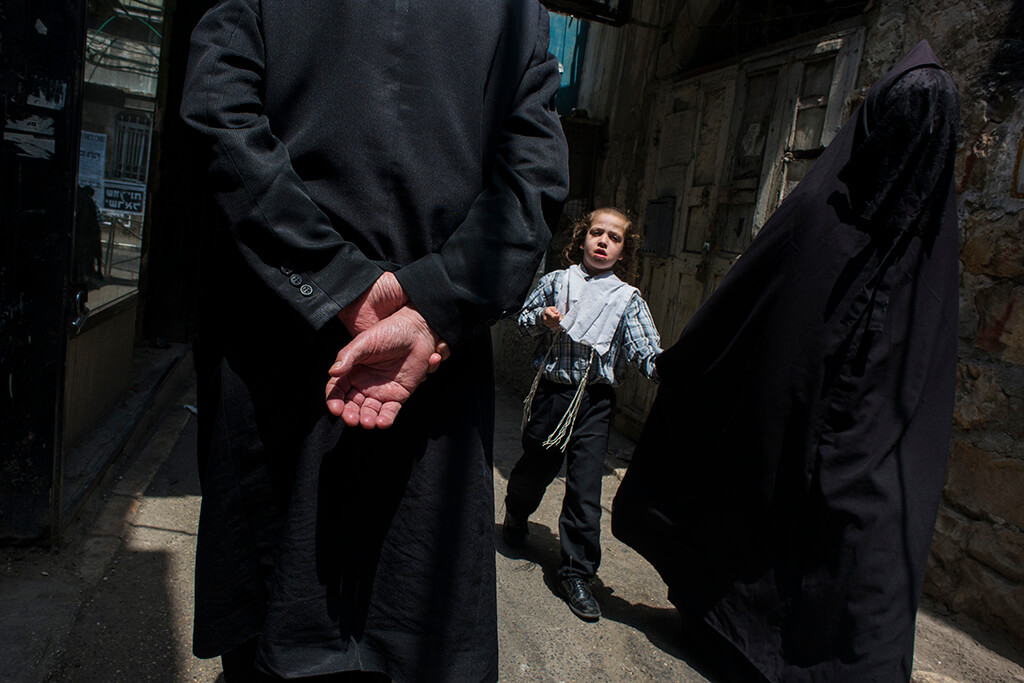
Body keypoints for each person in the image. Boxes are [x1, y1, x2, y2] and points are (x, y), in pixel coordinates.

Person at [179, 1, 568, 681]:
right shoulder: (516, 12)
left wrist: (339, 283)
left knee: (275, 627)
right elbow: (533, 180)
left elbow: (220, 119)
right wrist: (430, 302)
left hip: (288, 353)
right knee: (409, 635)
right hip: (425, 376)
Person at [611, 41, 960, 682]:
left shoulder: (928, 251)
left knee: (863, 542)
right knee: (755, 508)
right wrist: (692, 360)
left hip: (870, 425)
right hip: (786, 409)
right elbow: (750, 296)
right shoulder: (823, 211)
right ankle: (727, 630)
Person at [502, 208, 661, 622]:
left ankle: (576, 573)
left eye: (615, 237)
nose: (604, 242)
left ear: (624, 251)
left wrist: (668, 367)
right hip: (554, 394)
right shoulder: (557, 283)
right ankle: (517, 510)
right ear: (582, 238)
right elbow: (522, 323)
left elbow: (647, 352)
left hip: (594, 401)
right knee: (536, 465)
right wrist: (543, 320)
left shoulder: (627, 300)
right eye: (596, 233)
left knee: (586, 488)